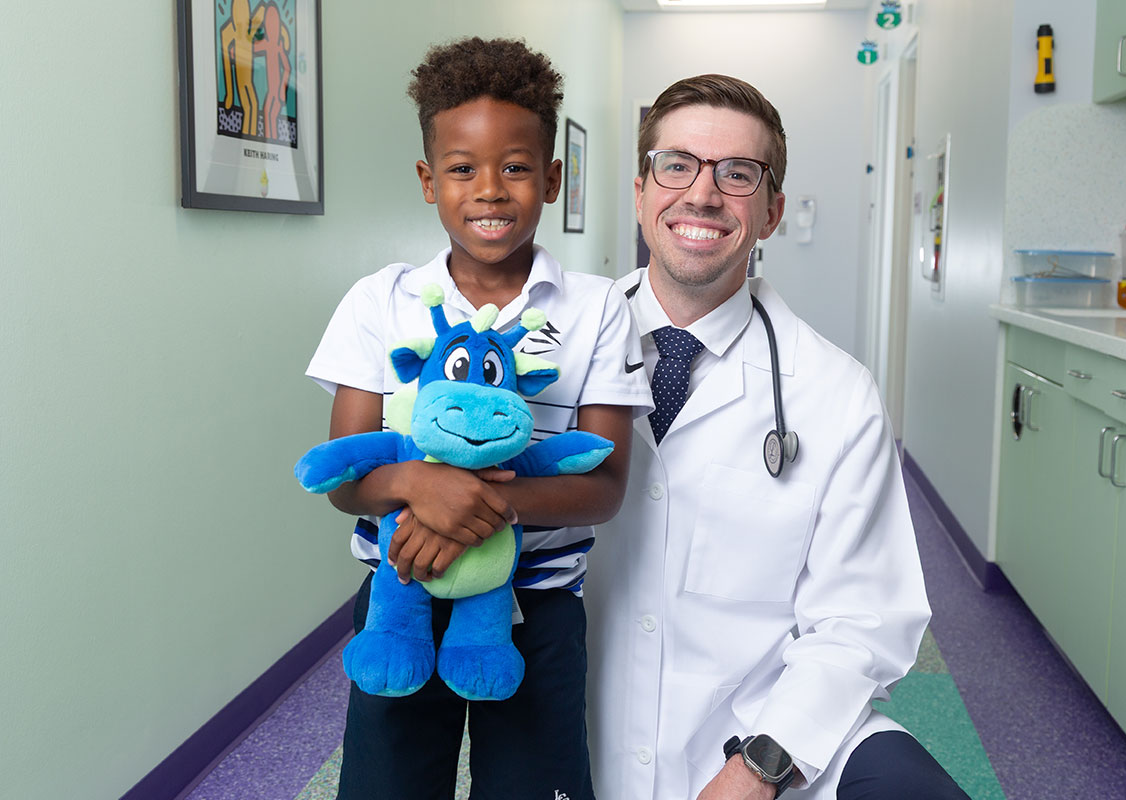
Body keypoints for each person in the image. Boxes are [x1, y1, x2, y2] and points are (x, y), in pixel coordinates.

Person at [584, 74, 968, 800]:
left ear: (772, 212)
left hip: (770, 742)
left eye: (737, 174)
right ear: (641, 191)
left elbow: (862, 620)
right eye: (677, 165)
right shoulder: (560, 350)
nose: (701, 194)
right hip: (573, 733)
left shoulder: (835, 393)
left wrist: (759, 766)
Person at [304, 37, 651, 800]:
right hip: (401, 590)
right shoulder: (379, 302)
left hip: (538, 609)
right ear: (430, 181)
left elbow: (606, 483)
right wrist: (417, 487)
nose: (489, 190)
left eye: (516, 167)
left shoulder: (598, 310)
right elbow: (346, 480)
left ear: (552, 178)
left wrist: (468, 506)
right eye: (462, 169)